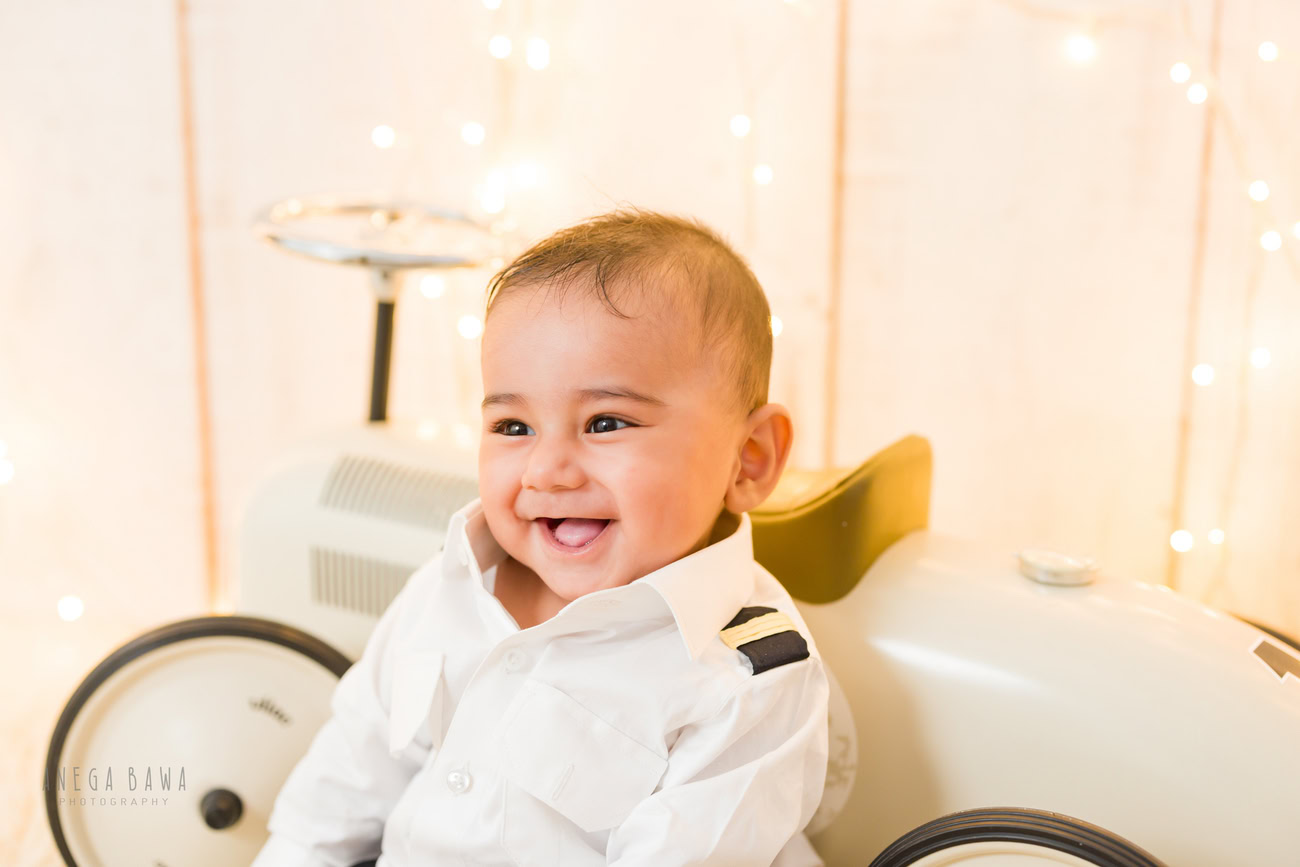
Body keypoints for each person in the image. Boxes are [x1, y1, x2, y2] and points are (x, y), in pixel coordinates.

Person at [251, 206, 831, 866]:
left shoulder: (746, 680)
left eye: (606, 422)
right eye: (513, 427)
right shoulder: (448, 589)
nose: (547, 471)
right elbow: (344, 781)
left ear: (748, 457)